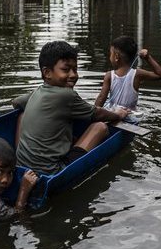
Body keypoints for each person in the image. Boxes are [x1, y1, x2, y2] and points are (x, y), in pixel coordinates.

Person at [11, 40, 128, 175]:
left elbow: (16, 103)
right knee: (100, 127)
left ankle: (18, 158)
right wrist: (118, 114)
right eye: (66, 70)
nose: (73, 75)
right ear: (47, 72)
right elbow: (98, 114)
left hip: (22, 167)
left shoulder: (37, 92)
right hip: (52, 171)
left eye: (75, 69)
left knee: (22, 115)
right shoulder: (67, 95)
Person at [94, 36, 161, 116]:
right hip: (131, 116)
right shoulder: (137, 74)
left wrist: (93, 115)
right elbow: (160, 75)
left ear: (116, 57)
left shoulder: (109, 75)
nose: (109, 57)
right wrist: (148, 58)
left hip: (114, 115)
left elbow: (101, 98)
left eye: (111, 54)